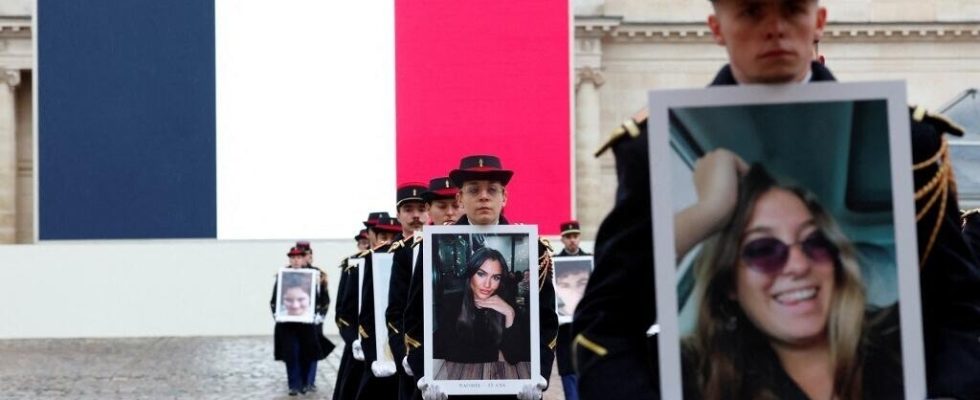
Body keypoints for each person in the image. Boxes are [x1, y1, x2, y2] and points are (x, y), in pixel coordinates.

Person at [572, 1, 980, 399]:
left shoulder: (908, 139)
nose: (775, 26)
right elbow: (606, 326)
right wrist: (705, 215)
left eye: (792, 9)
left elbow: (959, 308)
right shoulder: (651, 148)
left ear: (819, 20)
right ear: (716, 27)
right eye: (751, 11)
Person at [678, 159, 902, 399]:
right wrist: (709, 211)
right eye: (763, 249)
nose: (799, 265)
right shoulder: (699, 378)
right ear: (730, 283)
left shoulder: (901, 335)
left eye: (814, 242)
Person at [408, 154, 558, 400]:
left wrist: (538, 374)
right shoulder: (432, 248)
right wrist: (423, 373)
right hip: (452, 390)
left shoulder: (535, 250)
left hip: (511, 391)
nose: (484, 196)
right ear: (460, 198)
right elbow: (415, 318)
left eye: (492, 190)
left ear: (504, 197)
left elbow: (546, 322)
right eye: (474, 190)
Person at [433, 247, 528, 368]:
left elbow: (514, 357)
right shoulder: (451, 302)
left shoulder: (505, 305)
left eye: (495, 277)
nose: (487, 285)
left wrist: (510, 313)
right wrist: (496, 354)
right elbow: (449, 353)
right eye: (481, 274)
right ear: (470, 274)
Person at [334, 211, 390, 400]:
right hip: (359, 351)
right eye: (383, 235)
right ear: (371, 234)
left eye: (392, 236)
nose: (387, 241)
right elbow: (343, 312)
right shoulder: (356, 264)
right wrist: (354, 341)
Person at [272, 246, 327, 396]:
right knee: (291, 354)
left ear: (304, 259)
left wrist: (319, 314)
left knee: (307, 353)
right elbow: (275, 299)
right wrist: (277, 314)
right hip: (288, 324)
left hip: (307, 324)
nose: (296, 260)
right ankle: (293, 385)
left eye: (299, 257)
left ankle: (305, 383)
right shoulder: (283, 275)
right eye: (293, 257)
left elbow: (322, 298)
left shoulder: (314, 275)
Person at [553, 221, 590, 400]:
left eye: (575, 236)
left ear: (579, 237)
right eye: (568, 237)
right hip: (565, 332)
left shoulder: (590, 262)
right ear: (562, 239)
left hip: (585, 328)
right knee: (569, 379)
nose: (572, 240)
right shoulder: (553, 265)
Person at [293, 240, 334, 394]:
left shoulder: (319, 274)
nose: (304, 257)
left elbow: (325, 298)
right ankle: (298, 381)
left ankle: (310, 381)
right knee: (296, 350)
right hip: (296, 319)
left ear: (310, 256)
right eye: (301, 254)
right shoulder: (289, 273)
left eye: (306, 254)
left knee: (313, 351)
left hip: (314, 319)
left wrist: (321, 315)